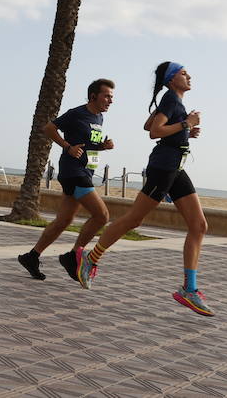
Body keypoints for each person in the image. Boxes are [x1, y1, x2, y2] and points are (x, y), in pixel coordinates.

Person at [80, 62, 212, 316]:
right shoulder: (172, 100)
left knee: (199, 225)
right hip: (164, 168)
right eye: (184, 73)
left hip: (177, 168)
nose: (189, 76)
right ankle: (91, 258)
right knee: (134, 219)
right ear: (172, 79)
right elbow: (154, 132)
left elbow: (148, 125)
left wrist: (184, 131)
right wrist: (185, 125)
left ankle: (189, 289)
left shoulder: (172, 100)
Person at [17, 78, 115, 282]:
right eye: (106, 96)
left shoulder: (99, 119)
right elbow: (49, 128)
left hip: (84, 172)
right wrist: (67, 146)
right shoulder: (77, 113)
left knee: (64, 220)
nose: (110, 100)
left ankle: (31, 256)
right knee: (102, 215)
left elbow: (87, 144)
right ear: (93, 96)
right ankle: (72, 256)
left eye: (111, 97)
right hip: (73, 172)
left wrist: (102, 147)